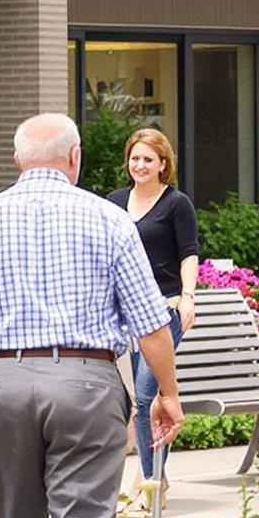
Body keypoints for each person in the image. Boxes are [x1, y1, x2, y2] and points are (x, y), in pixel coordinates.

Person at [0, 114, 183, 518]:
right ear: (74, 157)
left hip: (3, 383)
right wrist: (167, 393)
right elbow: (150, 323)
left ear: (17, 161)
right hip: (87, 385)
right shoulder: (111, 219)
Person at [107, 128, 198, 488]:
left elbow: (188, 253)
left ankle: (151, 479)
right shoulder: (113, 202)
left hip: (165, 310)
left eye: (148, 159)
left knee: (146, 395)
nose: (140, 165)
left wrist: (188, 296)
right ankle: (152, 477)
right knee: (138, 399)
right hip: (124, 314)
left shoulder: (176, 203)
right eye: (135, 158)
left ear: (163, 164)